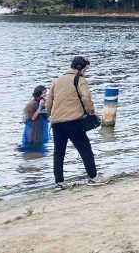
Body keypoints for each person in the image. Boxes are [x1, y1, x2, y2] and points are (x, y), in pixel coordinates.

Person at [46, 56, 105, 187]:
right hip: (73, 121)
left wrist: (52, 115)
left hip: (56, 122)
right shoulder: (80, 80)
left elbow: (48, 103)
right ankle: (93, 177)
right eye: (85, 69)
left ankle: (59, 182)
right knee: (85, 149)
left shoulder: (56, 81)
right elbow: (86, 97)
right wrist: (91, 111)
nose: (85, 72)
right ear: (81, 69)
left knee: (58, 152)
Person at [20, 85, 50, 152]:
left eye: (45, 93)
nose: (45, 95)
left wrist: (46, 105)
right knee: (30, 143)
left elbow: (46, 115)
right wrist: (40, 106)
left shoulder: (43, 101)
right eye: (43, 93)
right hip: (32, 125)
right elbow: (33, 118)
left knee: (40, 143)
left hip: (41, 125)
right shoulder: (31, 103)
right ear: (39, 94)